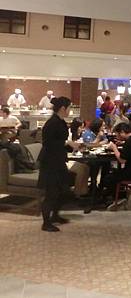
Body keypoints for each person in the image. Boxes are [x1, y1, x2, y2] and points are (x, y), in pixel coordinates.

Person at [37, 97, 80, 232]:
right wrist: (67, 143)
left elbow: (60, 141)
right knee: (51, 193)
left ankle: (55, 215)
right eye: (69, 108)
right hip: (50, 163)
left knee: (62, 190)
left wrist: (70, 146)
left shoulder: (60, 121)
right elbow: (48, 143)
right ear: (63, 108)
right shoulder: (52, 123)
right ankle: (46, 223)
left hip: (58, 161)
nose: (70, 110)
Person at [102, 123, 131, 210]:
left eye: (117, 135)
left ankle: (118, 198)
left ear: (122, 132)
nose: (117, 137)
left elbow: (122, 160)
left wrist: (114, 148)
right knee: (114, 172)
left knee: (108, 178)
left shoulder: (130, 142)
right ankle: (122, 194)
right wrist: (123, 143)